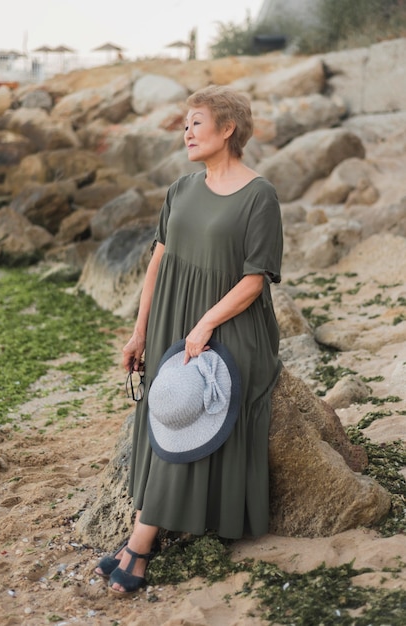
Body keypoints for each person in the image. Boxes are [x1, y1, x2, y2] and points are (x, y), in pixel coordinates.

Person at [94, 85, 283, 597]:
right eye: (184, 124)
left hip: (230, 327)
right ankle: (145, 531)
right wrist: (140, 331)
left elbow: (254, 279)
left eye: (197, 122)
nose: (187, 132)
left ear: (228, 129)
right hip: (171, 324)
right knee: (166, 413)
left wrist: (203, 326)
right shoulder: (180, 188)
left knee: (192, 412)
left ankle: (139, 544)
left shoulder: (258, 194)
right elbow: (158, 261)